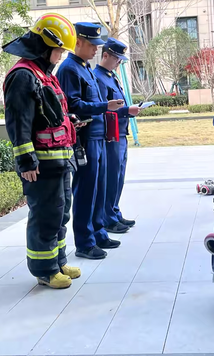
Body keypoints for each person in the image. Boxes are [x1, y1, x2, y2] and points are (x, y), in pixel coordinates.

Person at [3, 13, 82, 289]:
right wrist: (26, 161)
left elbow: (47, 115)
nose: (60, 55)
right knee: (45, 215)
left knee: (61, 213)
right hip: (41, 166)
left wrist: (69, 122)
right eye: (59, 49)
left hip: (59, 162)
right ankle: (45, 271)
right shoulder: (23, 76)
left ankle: (58, 261)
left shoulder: (44, 75)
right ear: (45, 45)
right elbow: (18, 122)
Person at [57, 22, 124, 260]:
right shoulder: (69, 69)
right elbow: (73, 105)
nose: (96, 49)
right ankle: (85, 242)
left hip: (98, 137)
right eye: (92, 45)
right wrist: (104, 106)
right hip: (84, 139)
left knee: (99, 188)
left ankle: (98, 232)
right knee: (86, 191)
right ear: (78, 42)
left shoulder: (85, 67)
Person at [94, 38, 141, 232]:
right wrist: (126, 111)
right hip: (110, 135)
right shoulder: (98, 77)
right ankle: (108, 218)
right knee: (111, 177)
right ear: (105, 55)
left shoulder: (111, 76)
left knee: (119, 176)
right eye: (116, 59)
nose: (119, 63)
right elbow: (104, 108)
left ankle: (114, 212)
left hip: (120, 133)